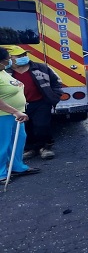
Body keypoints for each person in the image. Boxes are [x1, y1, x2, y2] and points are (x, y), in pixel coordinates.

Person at [5, 45, 64, 160]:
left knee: (41, 126)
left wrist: (54, 96)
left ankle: (45, 148)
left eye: (24, 55)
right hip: (18, 106)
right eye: (19, 56)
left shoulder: (41, 67)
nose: (24, 57)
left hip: (40, 103)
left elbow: (57, 81)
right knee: (25, 129)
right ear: (9, 59)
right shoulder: (6, 72)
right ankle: (29, 148)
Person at [0, 46, 40, 185]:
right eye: (7, 60)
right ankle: (1, 173)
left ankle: (17, 166)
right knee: (3, 144)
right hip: (3, 115)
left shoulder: (3, 71)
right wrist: (15, 111)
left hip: (15, 114)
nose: (9, 61)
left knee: (18, 141)